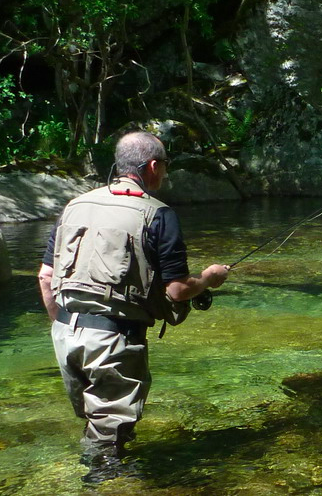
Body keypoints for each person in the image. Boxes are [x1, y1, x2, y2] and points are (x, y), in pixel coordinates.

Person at [36, 131, 230, 482]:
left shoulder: (75, 204)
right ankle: (103, 485)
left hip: (64, 333)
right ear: (153, 166)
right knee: (109, 439)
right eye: (165, 166)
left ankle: (97, 475)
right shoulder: (158, 214)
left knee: (97, 424)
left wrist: (61, 326)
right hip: (112, 338)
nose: (165, 174)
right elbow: (177, 289)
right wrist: (209, 277)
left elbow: (45, 277)